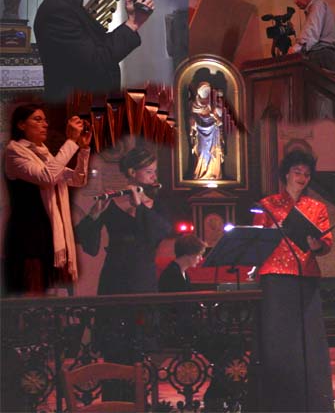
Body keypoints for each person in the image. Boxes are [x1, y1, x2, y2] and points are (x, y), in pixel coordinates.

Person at [252, 148, 335, 412]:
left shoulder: (317, 207)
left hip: (305, 276)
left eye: (306, 174)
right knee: (277, 342)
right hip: (274, 277)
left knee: (309, 342)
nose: (302, 177)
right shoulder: (267, 204)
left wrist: (316, 244)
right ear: (286, 173)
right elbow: (256, 240)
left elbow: (326, 243)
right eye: (297, 172)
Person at [34, 0, 154, 101]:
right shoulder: (57, 11)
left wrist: (132, 20)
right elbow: (95, 62)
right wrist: (133, 23)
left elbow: (101, 46)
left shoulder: (71, 7)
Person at [3, 105, 90, 295]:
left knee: (55, 297)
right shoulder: (14, 152)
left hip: (50, 234)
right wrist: (70, 141)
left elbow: (78, 179)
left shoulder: (45, 154)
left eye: (45, 120)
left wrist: (83, 150)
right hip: (29, 236)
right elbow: (47, 177)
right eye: (37, 119)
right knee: (32, 296)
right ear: (21, 125)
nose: (45, 124)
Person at [77, 146, 170, 295]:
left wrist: (139, 206)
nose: (154, 177)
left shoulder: (157, 204)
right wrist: (94, 214)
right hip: (115, 275)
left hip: (143, 275)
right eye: (149, 172)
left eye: (155, 171)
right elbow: (86, 241)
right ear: (132, 172)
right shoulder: (111, 203)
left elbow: (160, 233)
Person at [288, 0, 335, 70]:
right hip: (320, 55)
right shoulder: (315, 8)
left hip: (320, 55)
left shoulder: (317, 5)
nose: (295, 1)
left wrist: (295, 49)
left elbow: (311, 30)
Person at [189, 81, 224, 180]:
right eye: (203, 90)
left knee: (214, 152)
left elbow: (220, 120)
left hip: (213, 131)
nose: (205, 92)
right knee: (202, 151)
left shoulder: (215, 103)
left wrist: (215, 115)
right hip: (200, 131)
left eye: (207, 90)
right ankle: (201, 173)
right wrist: (192, 123)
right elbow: (192, 117)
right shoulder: (195, 104)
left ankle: (214, 173)